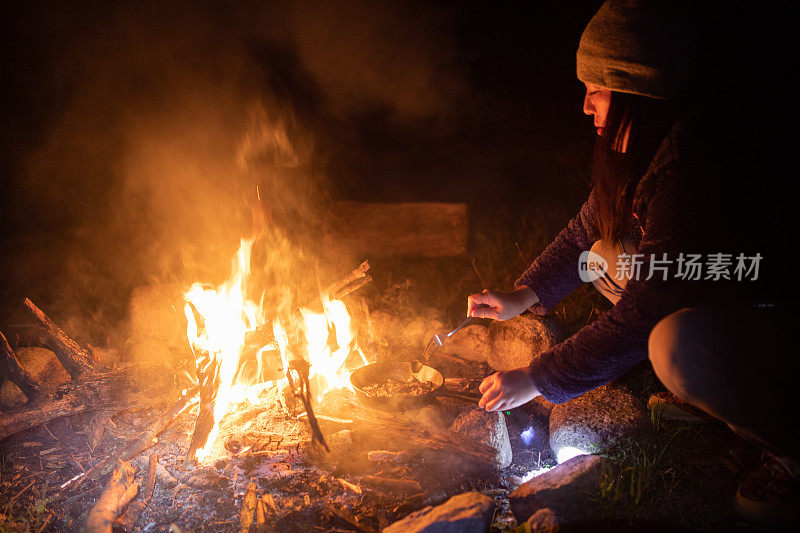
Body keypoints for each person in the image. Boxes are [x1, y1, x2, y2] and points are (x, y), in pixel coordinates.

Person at [466, 0, 798, 526]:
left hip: (777, 316)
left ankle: (789, 448)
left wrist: (537, 378)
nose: (585, 106)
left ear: (636, 92)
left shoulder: (690, 169)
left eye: (596, 91)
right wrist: (523, 295)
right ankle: (710, 392)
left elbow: (642, 315)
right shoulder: (645, 150)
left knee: (673, 342)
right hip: (723, 291)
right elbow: (584, 232)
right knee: (604, 256)